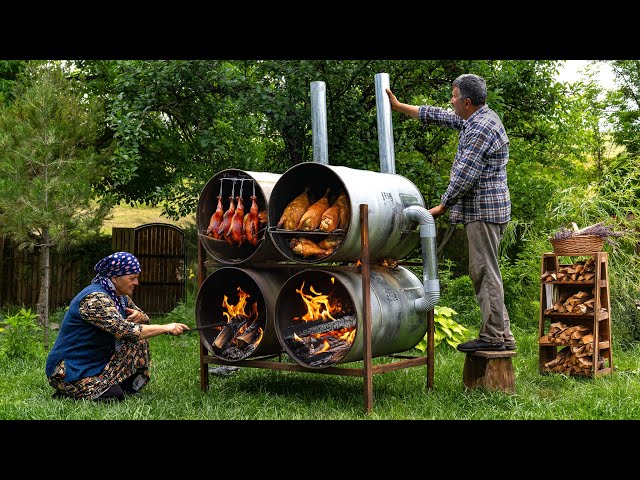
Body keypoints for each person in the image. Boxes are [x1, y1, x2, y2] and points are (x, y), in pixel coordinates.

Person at [386, 73, 516, 352]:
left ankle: (494, 337)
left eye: (455, 97)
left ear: (467, 102)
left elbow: (465, 175)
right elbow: (441, 115)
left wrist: (442, 205)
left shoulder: (480, 128)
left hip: (483, 212)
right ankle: (502, 334)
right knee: (486, 270)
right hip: (486, 211)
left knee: (483, 272)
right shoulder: (478, 117)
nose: (451, 101)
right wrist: (400, 107)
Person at [46, 251, 190, 401]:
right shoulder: (96, 299)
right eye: (132, 278)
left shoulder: (120, 297)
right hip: (69, 368)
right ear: (114, 277)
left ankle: (125, 386)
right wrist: (166, 327)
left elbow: (144, 320)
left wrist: (141, 317)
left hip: (93, 362)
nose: (136, 283)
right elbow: (126, 331)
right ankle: (69, 389)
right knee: (113, 396)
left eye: (136, 278)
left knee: (139, 341)